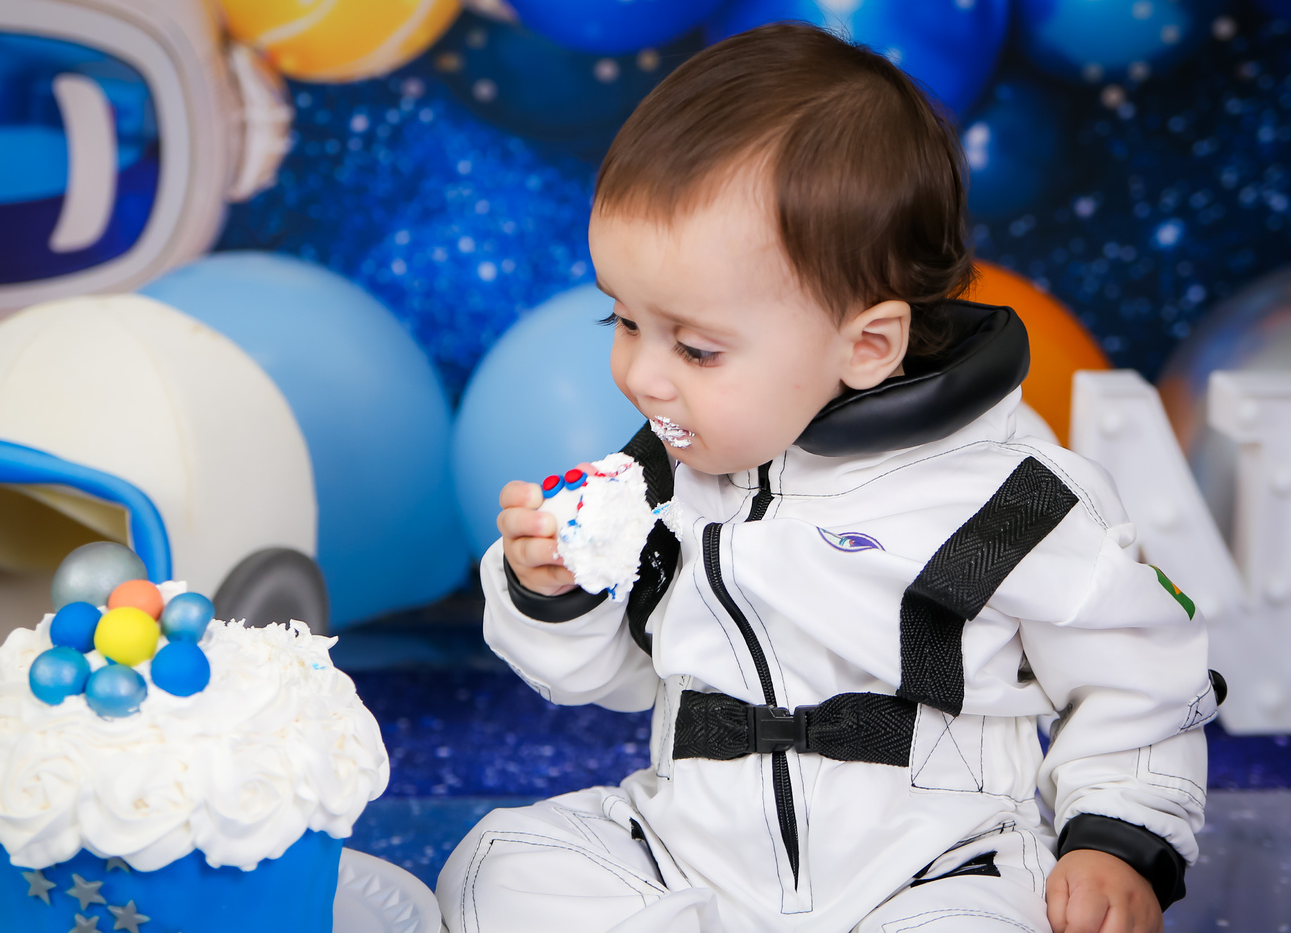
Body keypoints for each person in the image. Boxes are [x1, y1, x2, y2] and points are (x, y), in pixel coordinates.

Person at [436, 23, 1213, 933]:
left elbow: (1139, 675)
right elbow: (610, 677)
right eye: (625, 321)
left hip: (930, 870)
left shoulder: (1005, 499)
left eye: (696, 347)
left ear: (867, 345)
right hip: (694, 857)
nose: (643, 375)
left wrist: (1117, 840)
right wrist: (554, 592)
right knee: (496, 868)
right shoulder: (661, 480)